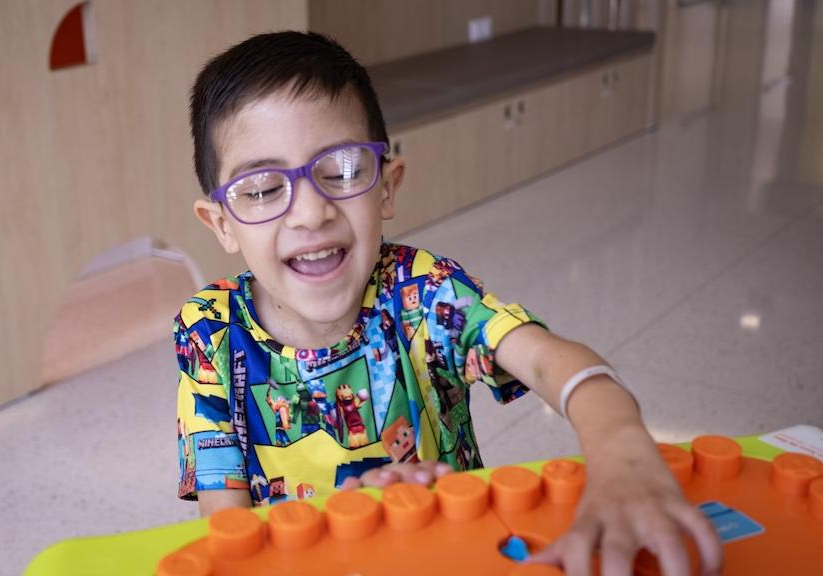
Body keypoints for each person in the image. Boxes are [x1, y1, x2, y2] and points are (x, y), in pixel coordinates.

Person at [173, 31, 721, 575]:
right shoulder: (210, 337)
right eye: (264, 188)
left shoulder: (424, 293)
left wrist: (621, 448)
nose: (310, 213)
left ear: (386, 186)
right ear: (221, 222)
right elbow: (229, 537)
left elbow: (547, 359)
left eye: (340, 169)